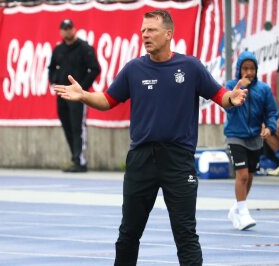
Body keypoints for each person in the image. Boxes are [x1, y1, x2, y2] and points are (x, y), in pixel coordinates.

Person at [54, 10, 247, 265]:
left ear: (168, 34)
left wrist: (231, 99)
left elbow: (219, 94)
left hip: (178, 161)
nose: (145, 34)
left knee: (185, 235)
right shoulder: (134, 69)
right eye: (143, 30)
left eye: (152, 30)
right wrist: (85, 95)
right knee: (128, 234)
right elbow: (108, 100)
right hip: (141, 159)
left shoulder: (190, 67)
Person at [224, 51, 278, 230]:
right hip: (235, 136)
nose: (248, 72)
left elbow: (271, 111)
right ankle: (244, 213)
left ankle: (237, 208)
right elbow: (229, 109)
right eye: (245, 68)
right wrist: (235, 94)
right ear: (239, 69)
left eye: (252, 68)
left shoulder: (264, 89)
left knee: (251, 176)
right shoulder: (231, 86)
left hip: (255, 137)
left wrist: (270, 127)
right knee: (242, 175)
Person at [48, 19, 101, 173]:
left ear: (74, 29)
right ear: (60, 31)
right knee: (67, 126)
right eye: (64, 28)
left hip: (78, 96)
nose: (67, 31)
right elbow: (51, 68)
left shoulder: (84, 48)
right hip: (62, 95)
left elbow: (94, 68)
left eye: (69, 28)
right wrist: (53, 82)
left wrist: (82, 89)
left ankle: (80, 161)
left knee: (78, 127)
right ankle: (74, 158)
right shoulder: (58, 49)